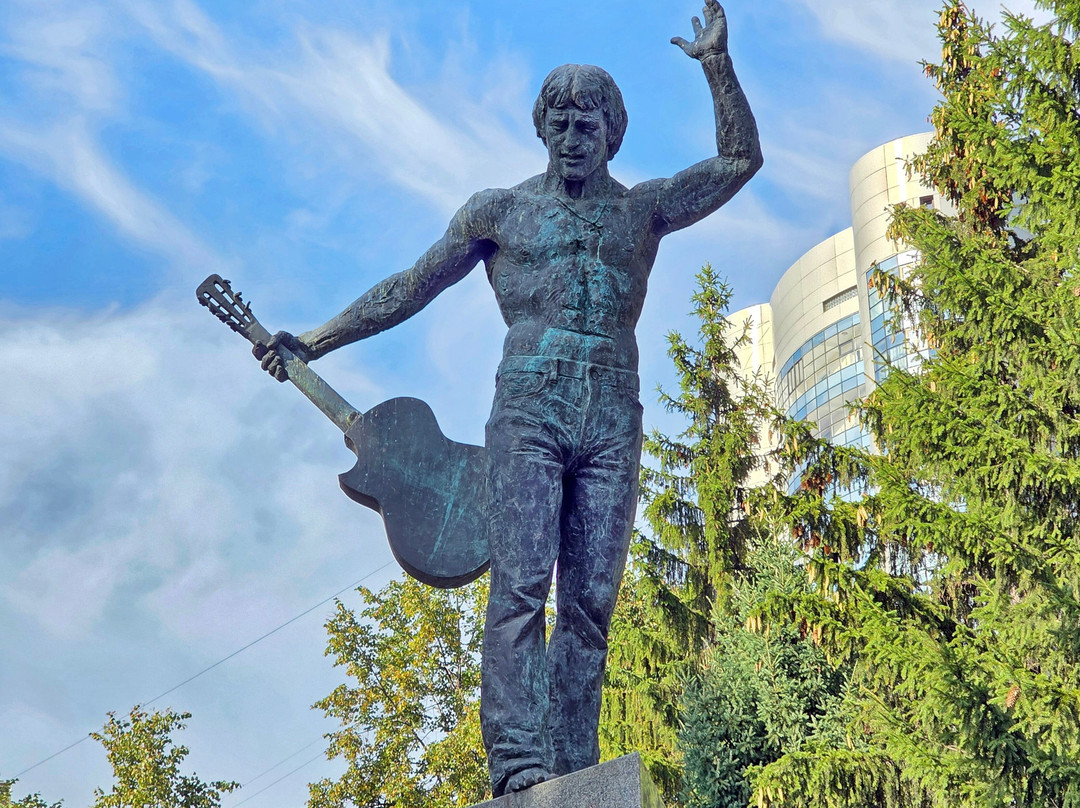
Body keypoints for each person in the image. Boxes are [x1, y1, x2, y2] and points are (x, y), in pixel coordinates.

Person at [254, 1, 760, 796]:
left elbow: (737, 162)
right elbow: (411, 285)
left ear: (612, 131)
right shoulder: (500, 212)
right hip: (529, 406)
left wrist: (716, 67)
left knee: (591, 600)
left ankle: (571, 765)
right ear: (541, 129)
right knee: (521, 587)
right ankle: (518, 763)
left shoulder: (644, 209)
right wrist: (314, 341)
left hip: (612, 412)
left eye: (586, 123)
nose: (570, 136)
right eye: (557, 122)